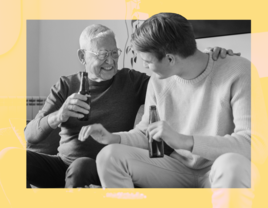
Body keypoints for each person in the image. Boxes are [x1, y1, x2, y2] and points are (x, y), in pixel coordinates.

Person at [24, 23, 234, 188]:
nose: (111, 61)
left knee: (81, 166)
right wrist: (57, 116)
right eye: (102, 55)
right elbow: (30, 136)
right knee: (10, 159)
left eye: (114, 52)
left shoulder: (133, 81)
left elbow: (173, 81)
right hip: (62, 164)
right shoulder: (65, 85)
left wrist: (204, 59)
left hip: (101, 166)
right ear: (82, 56)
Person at [79, 13, 257, 206]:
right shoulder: (158, 81)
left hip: (218, 168)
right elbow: (147, 130)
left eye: (147, 61)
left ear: (170, 59)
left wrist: (184, 141)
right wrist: (113, 138)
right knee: (109, 155)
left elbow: (252, 144)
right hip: (177, 168)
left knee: (232, 164)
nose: (145, 66)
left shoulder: (239, 70)